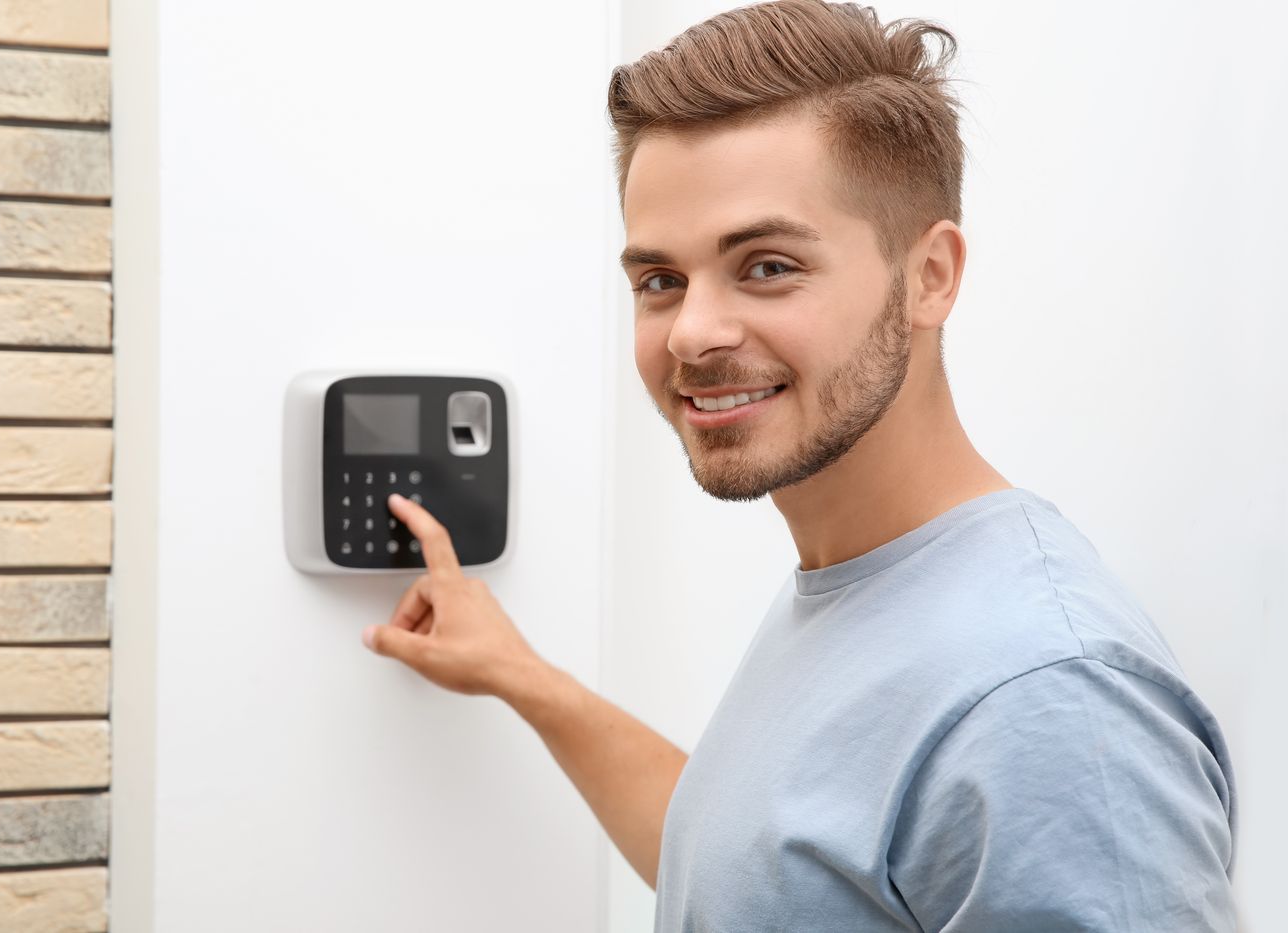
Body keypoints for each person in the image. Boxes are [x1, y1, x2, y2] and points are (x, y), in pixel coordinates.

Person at [361, 1, 1238, 929]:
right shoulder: (860, 580)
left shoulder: (1045, 697)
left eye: (768, 266)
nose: (693, 331)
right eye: (661, 280)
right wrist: (518, 671)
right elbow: (762, 873)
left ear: (930, 275)